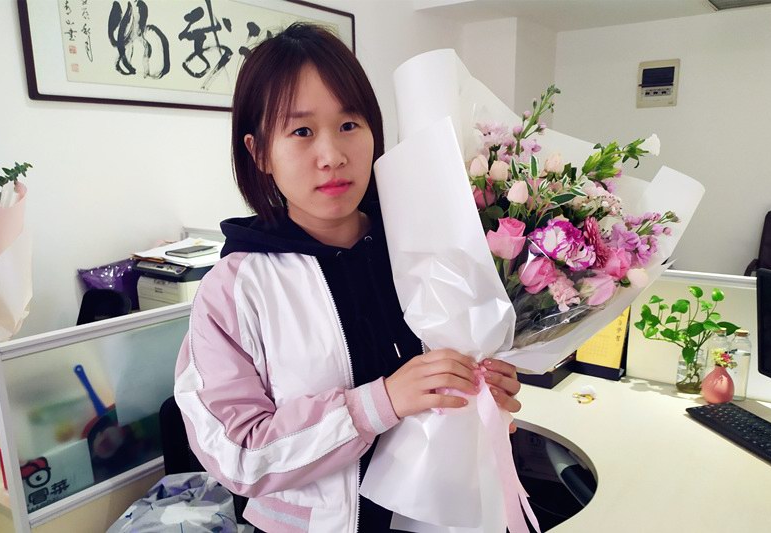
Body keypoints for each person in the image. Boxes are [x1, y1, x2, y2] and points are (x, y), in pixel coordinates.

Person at [174, 23, 522, 532]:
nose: (332, 155)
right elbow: (238, 453)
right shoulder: (235, 289)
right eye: (301, 132)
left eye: (349, 124)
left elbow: (454, 391)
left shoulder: (427, 248)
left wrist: (485, 394)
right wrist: (380, 403)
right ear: (259, 151)